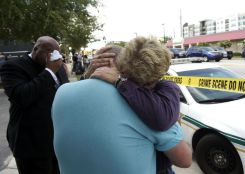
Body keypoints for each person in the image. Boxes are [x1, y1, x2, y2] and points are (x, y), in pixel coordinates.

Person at [52, 37, 191, 174]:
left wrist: (88, 77)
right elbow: (185, 160)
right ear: (123, 66)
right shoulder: (140, 102)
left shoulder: (61, 93)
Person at [83, 44, 182, 174]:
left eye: (106, 65)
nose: (102, 72)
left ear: (124, 68)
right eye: (97, 66)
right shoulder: (122, 90)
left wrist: (119, 82)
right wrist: (88, 77)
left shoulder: (157, 90)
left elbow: (184, 158)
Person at [0, 36, 69, 174]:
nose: (52, 56)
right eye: (49, 52)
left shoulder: (58, 67)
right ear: (36, 48)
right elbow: (21, 97)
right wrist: (49, 72)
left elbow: (64, 92)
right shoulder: (13, 66)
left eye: (55, 52)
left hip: (56, 140)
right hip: (30, 143)